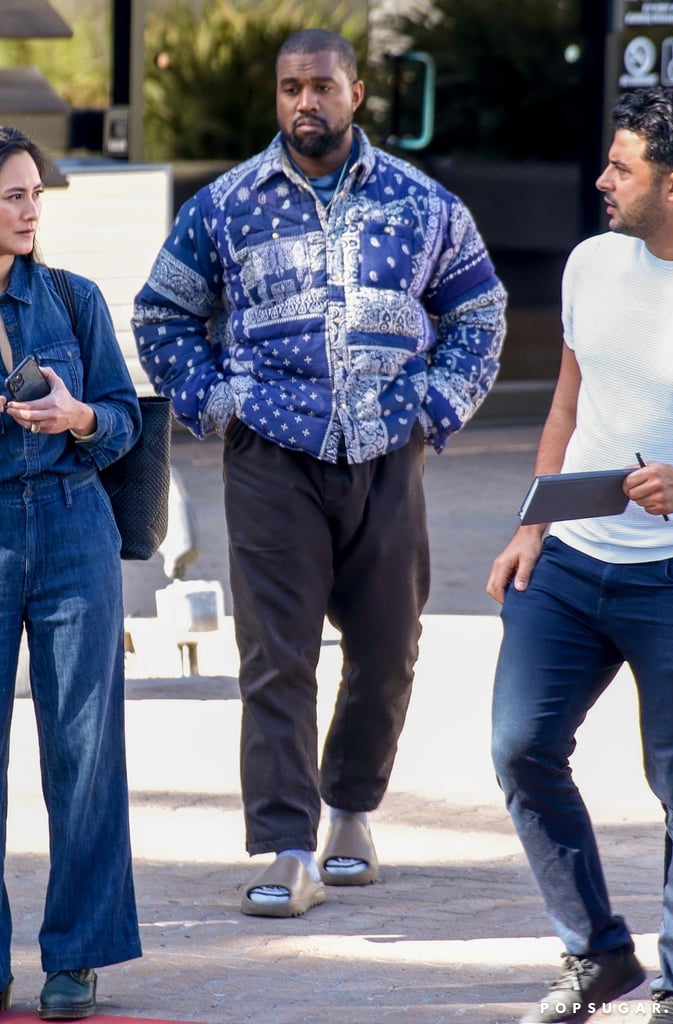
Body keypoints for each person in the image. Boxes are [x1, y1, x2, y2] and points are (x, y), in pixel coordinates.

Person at [133, 27, 506, 918]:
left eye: (323, 87)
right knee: (274, 656)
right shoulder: (224, 206)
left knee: (387, 649)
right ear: (277, 97)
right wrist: (216, 403)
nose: (306, 102)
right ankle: (286, 844)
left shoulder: (423, 205)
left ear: (357, 92)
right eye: (291, 88)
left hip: (386, 453)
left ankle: (349, 812)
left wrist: (434, 408)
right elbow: (161, 316)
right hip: (270, 457)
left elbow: (480, 315)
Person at [487, 86, 673, 1024]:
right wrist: (530, 522)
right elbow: (565, 403)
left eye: (621, 168)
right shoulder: (590, 264)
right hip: (568, 559)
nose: (600, 181)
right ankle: (597, 953)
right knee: (519, 746)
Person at [0, 127, 142, 1018]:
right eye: (12, 195)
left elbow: (125, 421)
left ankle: (76, 955)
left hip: (72, 525)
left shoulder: (73, 297)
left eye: (32, 193)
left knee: (85, 751)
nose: (30, 207)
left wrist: (77, 414)